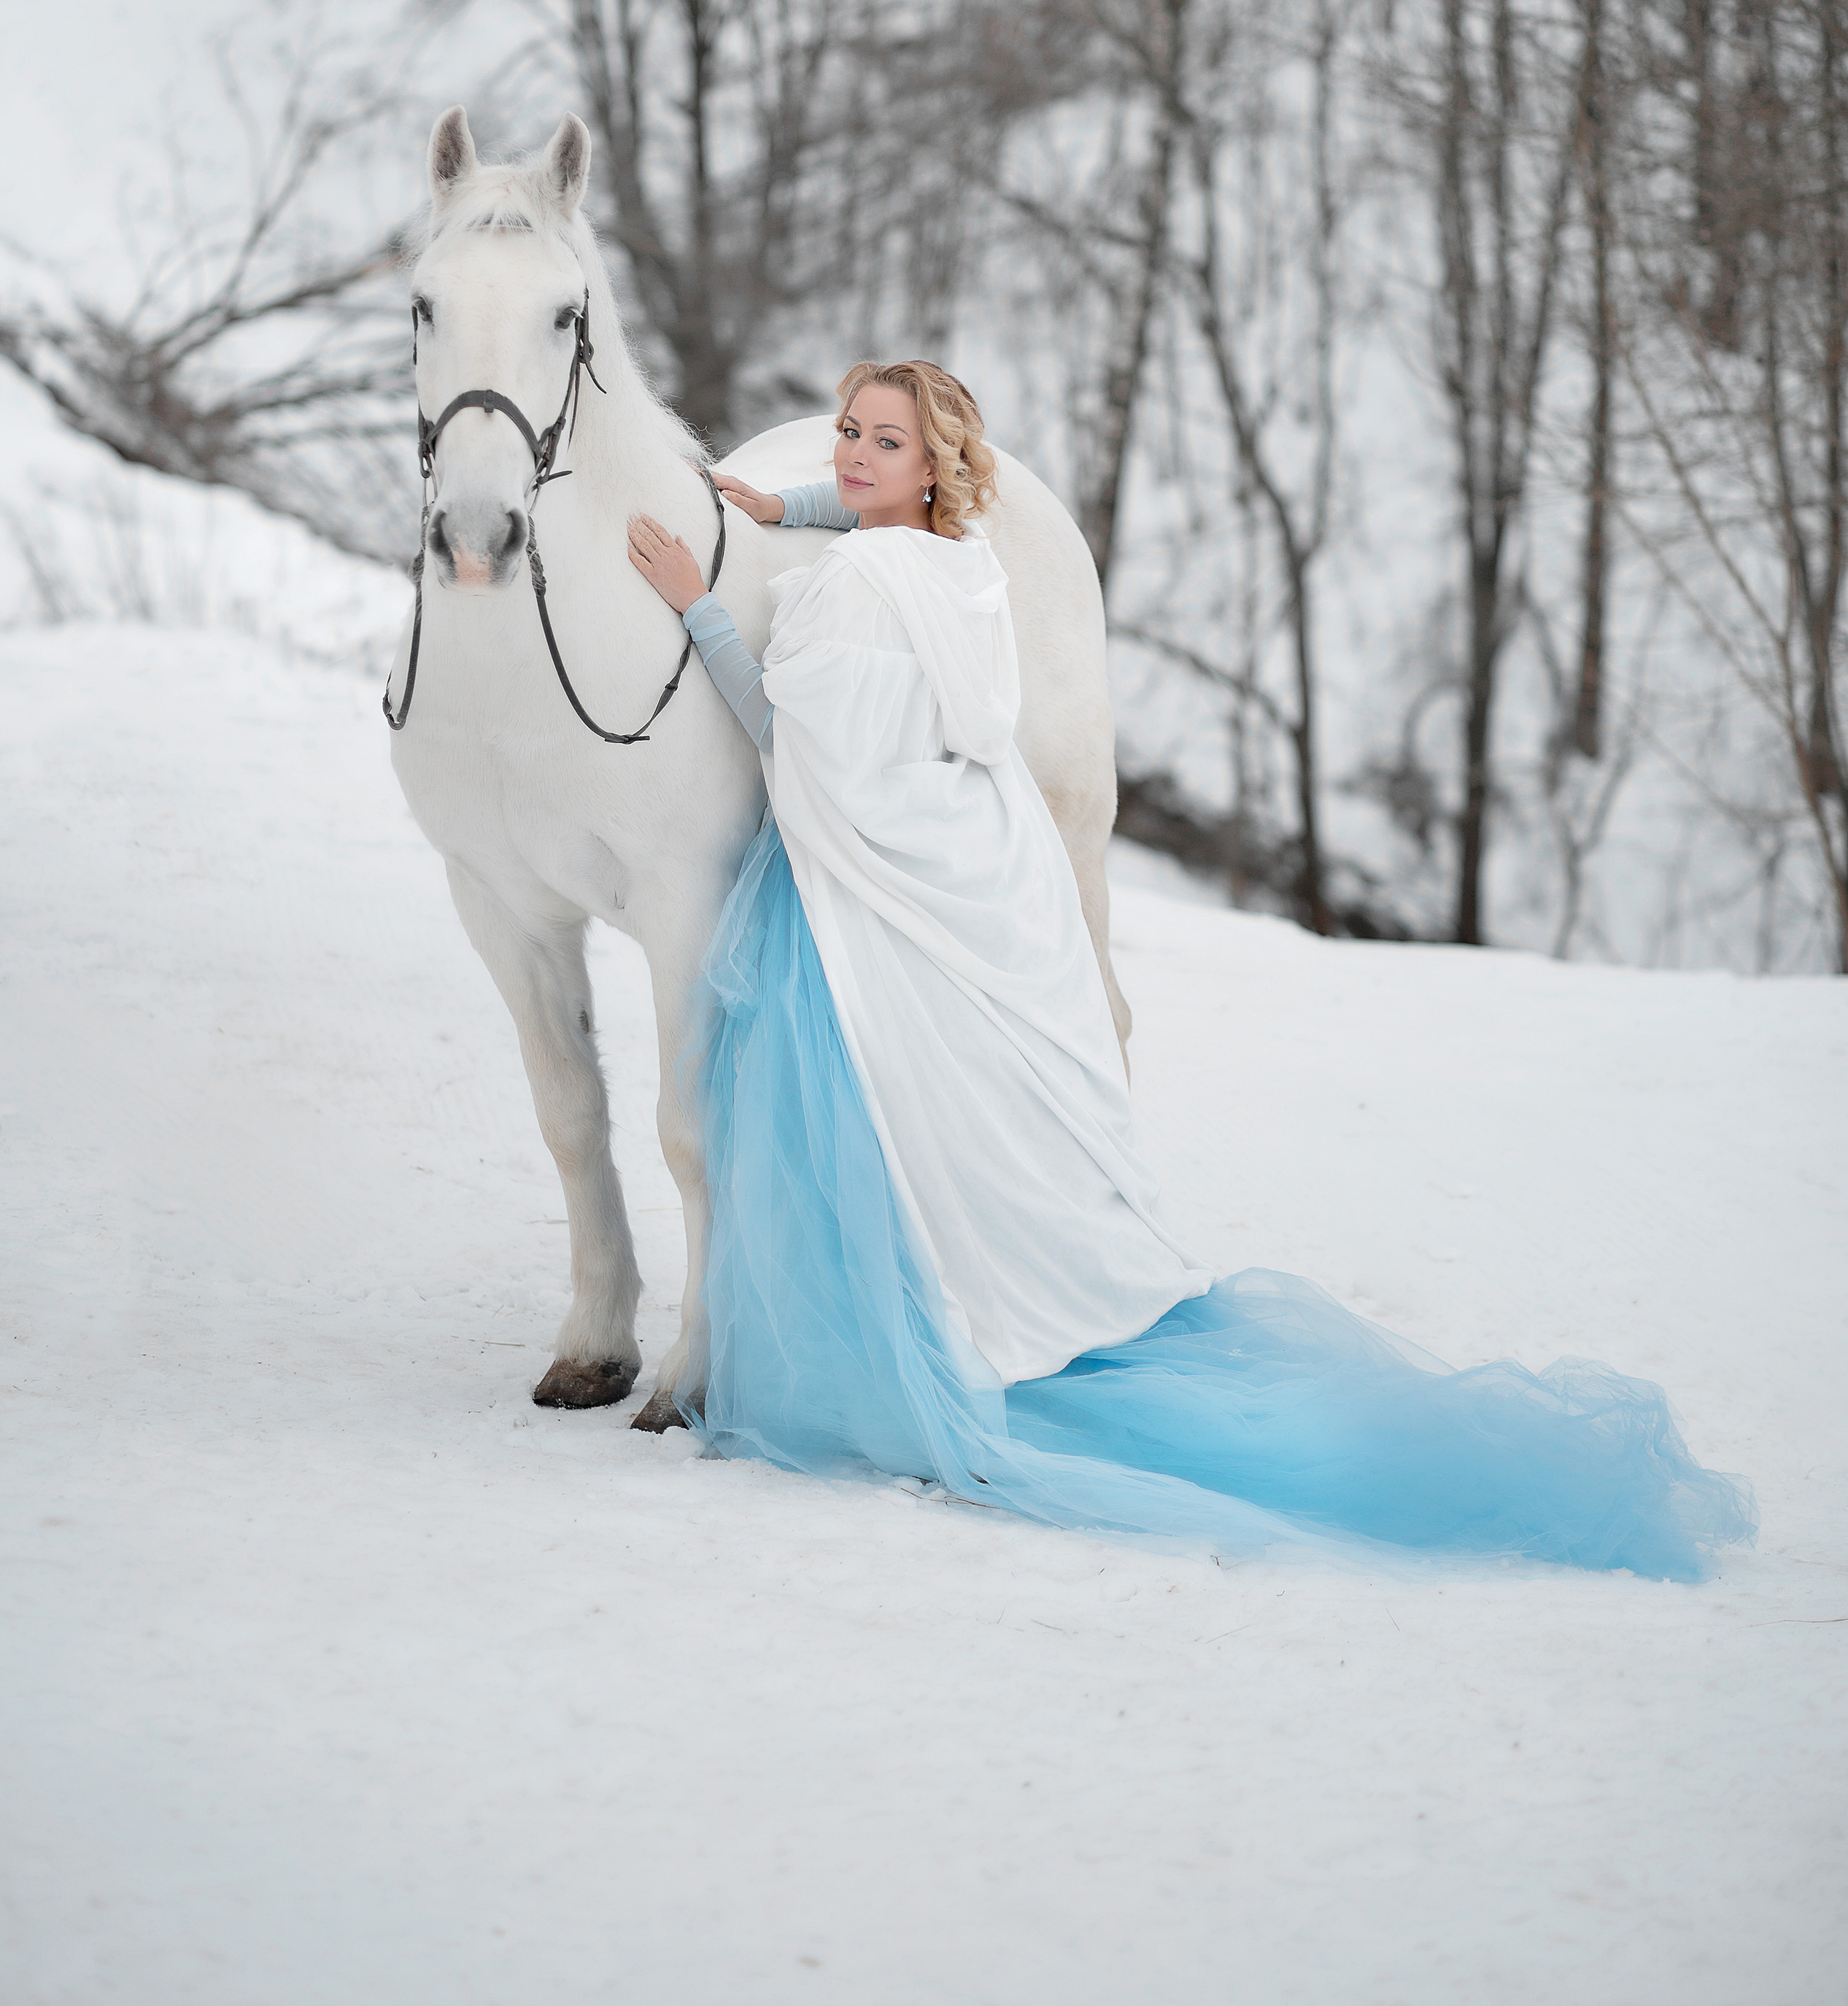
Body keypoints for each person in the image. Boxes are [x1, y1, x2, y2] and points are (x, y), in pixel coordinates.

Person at [626, 360, 1754, 1579]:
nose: (847, 457)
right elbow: (875, 525)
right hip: (987, 868)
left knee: (852, 1122)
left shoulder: (856, 596)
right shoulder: (964, 566)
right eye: (846, 432)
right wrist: (779, 507)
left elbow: (798, 747)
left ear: (930, 469)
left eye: (880, 444)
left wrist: (700, 605)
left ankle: (876, 1364)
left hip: (870, 886)